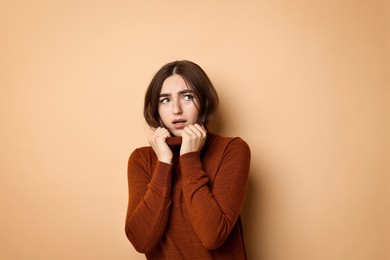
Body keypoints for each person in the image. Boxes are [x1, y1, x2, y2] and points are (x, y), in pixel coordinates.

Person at [125, 60, 251, 259]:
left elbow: (212, 236)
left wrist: (189, 157)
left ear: (204, 100)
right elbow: (141, 241)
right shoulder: (142, 159)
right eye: (165, 100)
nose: (176, 110)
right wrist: (164, 163)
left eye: (187, 97)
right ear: (156, 108)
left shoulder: (232, 149)